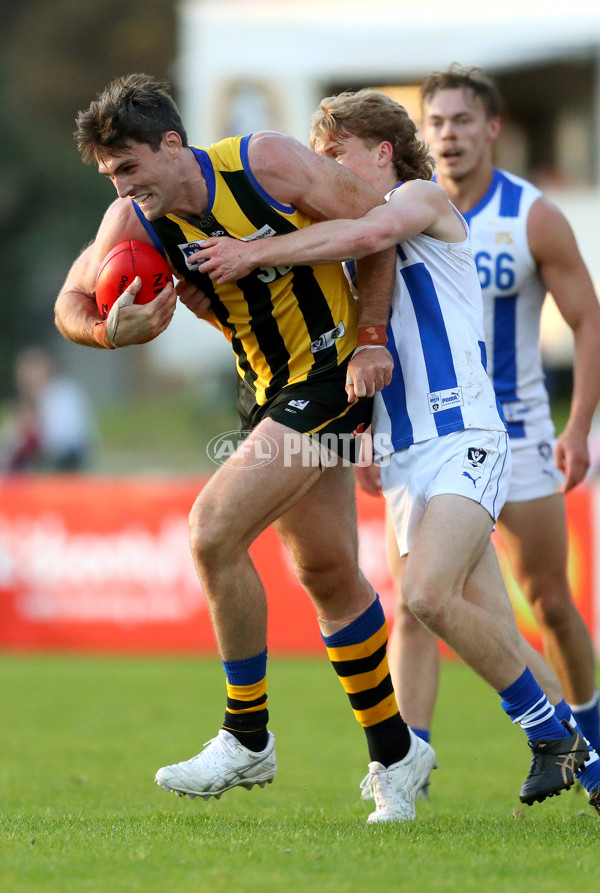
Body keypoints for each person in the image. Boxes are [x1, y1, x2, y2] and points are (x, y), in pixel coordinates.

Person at [196, 87, 600, 814]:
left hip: (465, 436)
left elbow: (364, 237)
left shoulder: (418, 197)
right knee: (491, 628)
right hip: (407, 456)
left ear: (380, 152)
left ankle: (548, 734)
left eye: (336, 155)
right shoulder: (349, 243)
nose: (326, 172)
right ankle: (591, 768)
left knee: (424, 597)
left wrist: (254, 250)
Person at [54, 73, 435, 824]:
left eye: (130, 167)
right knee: (326, 571)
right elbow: (72, 300)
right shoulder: (133, 218)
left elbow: (380, 230)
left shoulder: (266, 164)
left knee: (212, 528)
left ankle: (246, 735)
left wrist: (368, 339)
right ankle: (398, 754)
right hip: (265, 389)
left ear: (173, 143)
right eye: (110, 176)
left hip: (329, 373)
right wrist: (107, 331)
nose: (124, 188)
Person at [363, 66, 600, 781]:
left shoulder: (532, 215)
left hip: (518, 431)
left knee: (548, 601)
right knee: (417, 603)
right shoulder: (399, 212)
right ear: (420, 133)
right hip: (426, 433)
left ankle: (588, 743)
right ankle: (412, 759)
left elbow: (586, 318)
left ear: (492, 128)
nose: (449, 136)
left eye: (463, 121)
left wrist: (578, 425)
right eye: (436, 123)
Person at [1, 346, 95, 472]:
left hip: (64, 459)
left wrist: (32, 431)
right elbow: (11, 443)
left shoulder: (63, 394)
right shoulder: (25, 403)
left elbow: (65, 438)